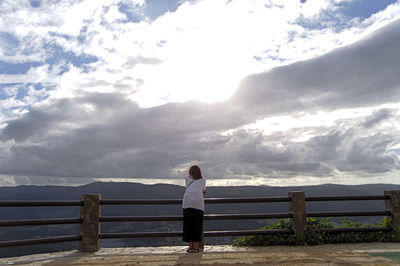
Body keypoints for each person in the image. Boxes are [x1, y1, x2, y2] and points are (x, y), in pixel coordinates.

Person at [182, 165, 206, 253]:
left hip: (187, 203)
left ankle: (190, 247)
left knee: (188, 225)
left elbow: (187, 186)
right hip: (198, 204)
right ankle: (196, 248)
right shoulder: (203, 180)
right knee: (197, 226)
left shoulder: (187, 178)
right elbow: (204, 191)